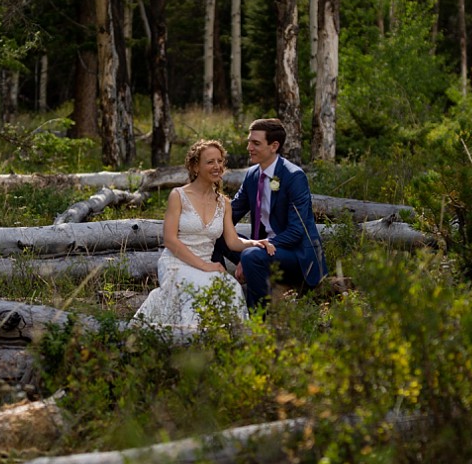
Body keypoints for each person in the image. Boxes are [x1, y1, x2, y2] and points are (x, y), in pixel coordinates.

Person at [132, 138, 268, 333]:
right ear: (195, 166)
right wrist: (205, 266)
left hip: (208, 266)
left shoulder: (224, 203)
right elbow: (170, 240)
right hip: (176, 263)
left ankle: (224, 342)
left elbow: (233, 241)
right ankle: (186, 340)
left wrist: (256, 243)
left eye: (220, 161)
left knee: (231, 288)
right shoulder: (178, 195)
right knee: (199, 287)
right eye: (210, 162)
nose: (217, 166)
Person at [216, 118, 327, 311]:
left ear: (274, 145)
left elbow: (296, 232)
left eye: (256, 143)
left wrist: (251, 250)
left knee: (250, 256)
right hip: (263, 250)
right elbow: (231, 214)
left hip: (295, 255)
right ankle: (221, 293)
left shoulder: (294, 176)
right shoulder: (252, 175)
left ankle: (259, 318)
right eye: (249, 141)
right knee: (216, 234)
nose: (249, 147)